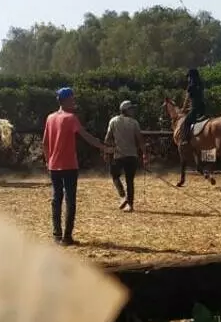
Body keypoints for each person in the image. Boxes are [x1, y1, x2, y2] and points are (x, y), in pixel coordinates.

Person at [42, 87, 112, 246]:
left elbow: (45, 143)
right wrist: (104, 147)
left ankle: (56, 235)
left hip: (54, 166)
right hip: (69, 166)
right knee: (70, 200)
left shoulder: (50, 118)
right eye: (72, 99)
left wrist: (48, 161)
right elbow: (86, 136)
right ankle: (67, 237)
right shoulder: (71, 118)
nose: (74, 101)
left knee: (56, 199)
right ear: (66, 100)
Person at [105, 100, 149, 212]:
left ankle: (122, 195)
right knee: (130, 180)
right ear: (126, 110)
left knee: (114, 176)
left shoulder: (113, 121)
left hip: (118, 155)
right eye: (131, 109)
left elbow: (108, 138)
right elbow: (140, 140)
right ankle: (130, 205)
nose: (133, 111)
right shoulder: (134, 123)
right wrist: (144, 154)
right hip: (132, 155)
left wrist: (106, 151)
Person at [180, 68, 206, 146]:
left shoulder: (190, 86)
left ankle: (185, 140)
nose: (188, 79)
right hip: (203, 110)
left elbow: (187, 100)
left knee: (186, 122)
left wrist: (183, 109)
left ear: (191, 77)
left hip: (195, 110)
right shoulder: (201, 85)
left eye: (188, 77)